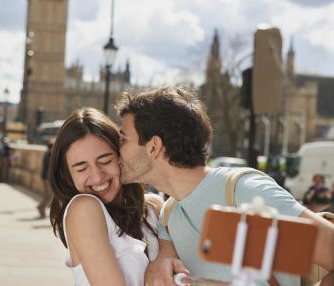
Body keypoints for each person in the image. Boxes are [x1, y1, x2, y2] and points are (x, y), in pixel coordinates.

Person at [115, 86, 334, 286]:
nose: (116, 148)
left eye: (123, 138)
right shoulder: (170, 217)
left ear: (154, 147)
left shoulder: (245, 191)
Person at [49, 108, 171, 285]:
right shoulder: (83, 208)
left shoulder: (154, 208)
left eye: (105, 161)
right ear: (68, 174)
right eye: (82, 168)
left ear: (121, 156)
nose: (98, 177)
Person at [37, 139, 53, 218]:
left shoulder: (48, 154)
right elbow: (49, 167)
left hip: (46, 178)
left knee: (49, 195)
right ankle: (41, 207)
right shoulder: (48, 155)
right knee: (49, 195)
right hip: (46, 178)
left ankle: (41, 208)